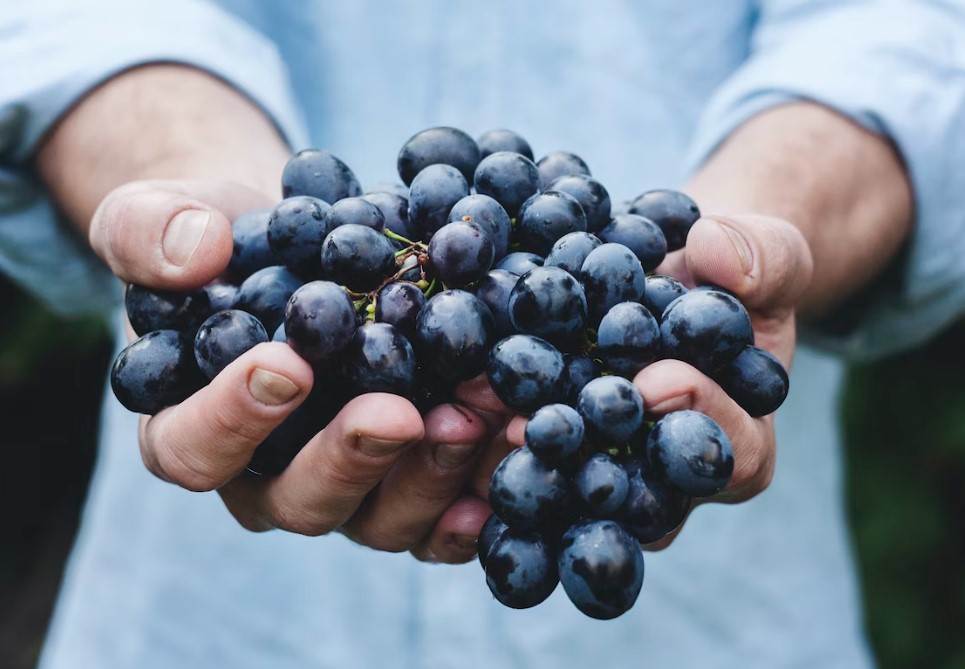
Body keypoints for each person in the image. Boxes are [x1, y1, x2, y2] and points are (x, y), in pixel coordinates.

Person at [2, 1, 964, 667]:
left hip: (719, 617)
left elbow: (901, 34)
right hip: (212, 617)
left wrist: (757, 225)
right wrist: (184, 175)